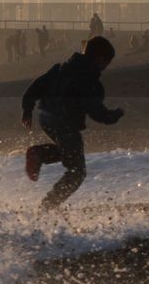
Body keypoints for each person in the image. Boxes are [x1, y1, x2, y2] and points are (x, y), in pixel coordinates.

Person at [21, 36, 124, 210]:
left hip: (45, 116)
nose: (105, 68)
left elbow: (36, 86)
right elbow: (95, 111)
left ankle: (40, 155)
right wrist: (114, 115)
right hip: (64, 121)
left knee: (70, 152)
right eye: (106, 63)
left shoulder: (61, 67)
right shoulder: (88, 78)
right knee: (77, 172)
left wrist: (27, 109)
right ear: (100, 59)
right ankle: (47, 207)